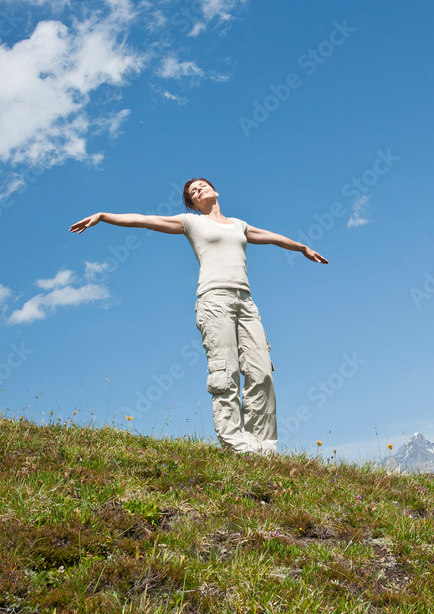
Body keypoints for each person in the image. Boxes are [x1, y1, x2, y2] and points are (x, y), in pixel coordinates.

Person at [69, 178, 327, 454]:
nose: (199, 190)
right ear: (192, 204)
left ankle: (262, 447)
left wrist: (301, 248)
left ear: (215, 191)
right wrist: (103, 216)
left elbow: (273, 237)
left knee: (261, 372)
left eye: (203, 185)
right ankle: (237, 445)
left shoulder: (239, 225)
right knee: (225, 372)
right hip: (214, 301)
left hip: (246, 303)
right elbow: (144, 220)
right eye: (193, 192)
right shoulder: (191, 223)